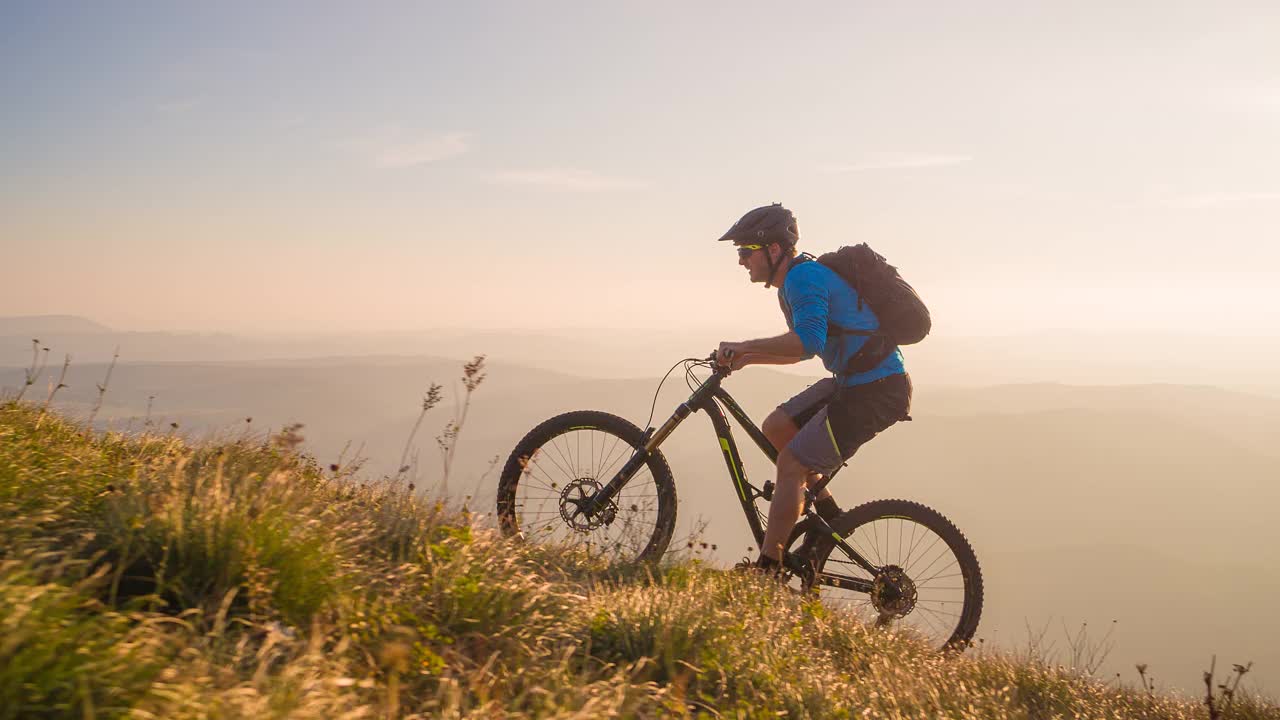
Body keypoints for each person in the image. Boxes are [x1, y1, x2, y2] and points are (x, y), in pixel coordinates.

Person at [715, 203, 912, 573]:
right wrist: (747, 357)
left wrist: (744, 347)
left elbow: (806, 342)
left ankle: (768, 571)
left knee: (791, 463)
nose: (742, 261)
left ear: (774, 250)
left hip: (877, 390)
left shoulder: (802, 279)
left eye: (746, 251)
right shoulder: (794, 281)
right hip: (858, 382)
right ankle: (829, 517)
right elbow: (805, 347)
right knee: (777, 427)